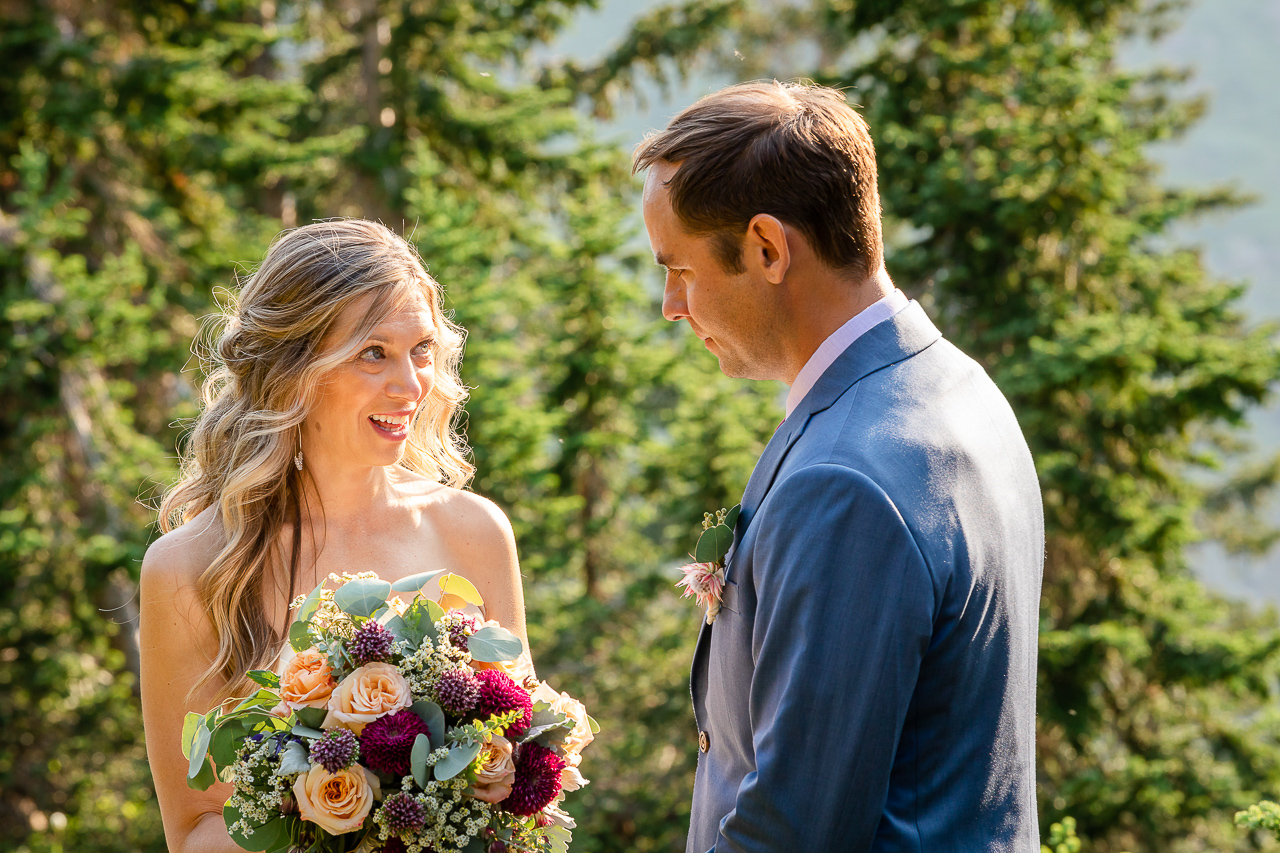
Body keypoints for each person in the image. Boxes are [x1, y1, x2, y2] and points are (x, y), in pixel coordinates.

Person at [635, 81, 1044, 851]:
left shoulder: (845, 482)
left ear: (767, 248)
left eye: (680, 269)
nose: (670, 305)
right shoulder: (959, 385)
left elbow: (796, 827)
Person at [138, 220, 525, 852]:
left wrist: (494, 777)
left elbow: (516, 752)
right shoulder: (192, 566)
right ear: (295, 370)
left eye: (421, 350)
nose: (410, 385)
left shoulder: (476, 532)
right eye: (373, 353)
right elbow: (194, 831)